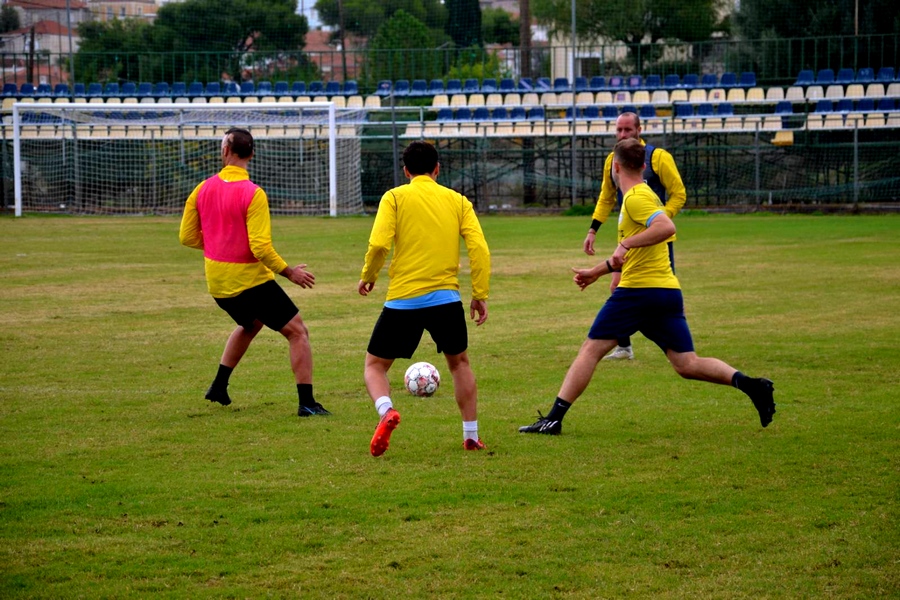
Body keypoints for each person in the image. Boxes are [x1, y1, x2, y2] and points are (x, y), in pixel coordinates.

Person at [519, 138, 775, 436]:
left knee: (590, 351)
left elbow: (666, 227)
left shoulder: (636, 198)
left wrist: (626, 242)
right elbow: (637, 253)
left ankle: (553, 420)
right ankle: (752, 386)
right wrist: (597, 272)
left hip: (638, 293)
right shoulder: (648, 194)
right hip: (665, 291)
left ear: (615, 167)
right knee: (686, 364)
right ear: (643, 165)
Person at [179, 127, 330, 417]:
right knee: (298, 332)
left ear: (225, 151)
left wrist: (220, 244)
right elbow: (260, 247)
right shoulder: (253, 193)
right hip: (248, 281)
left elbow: (186, 237)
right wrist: (289, 272)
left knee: (251, 324)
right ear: (252, 154)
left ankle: (219, 386)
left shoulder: (202, 189)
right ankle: (307, 404)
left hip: (218, 283)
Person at [358, 141, 491, 457]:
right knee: (459, 364)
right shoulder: (458, 201)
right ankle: (471, 436)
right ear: (437, 169)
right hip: (446, 299)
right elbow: (479, 249)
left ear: (406, 171)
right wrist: (479, 293)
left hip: (404, 299)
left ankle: (387, 411)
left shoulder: (394, 197)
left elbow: (379, 245)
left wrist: (369, 274)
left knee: (375, 366)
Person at [582, 111, 686, 361]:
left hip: (656, 239)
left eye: (628, 129)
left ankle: (680, 345)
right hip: (627, 238)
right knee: (617, 285)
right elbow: (606, 197)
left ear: (639, 130)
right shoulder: (612, 161)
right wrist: (593, 229)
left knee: (661, 290)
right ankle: (624, 347)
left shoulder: (658, 157)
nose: (623, 134)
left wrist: (659, 217)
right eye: (619, 129)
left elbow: (679, 193)